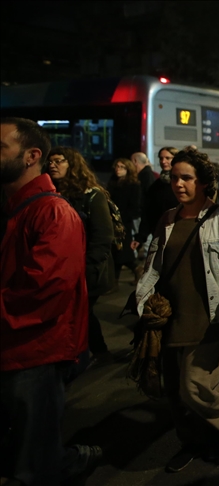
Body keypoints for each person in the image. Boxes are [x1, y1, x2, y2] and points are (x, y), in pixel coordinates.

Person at [134, 148, 219, 472]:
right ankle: (190, 443)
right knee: (174, 390)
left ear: (203, 182)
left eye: (187, 178)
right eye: (174, 178)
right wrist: (143, 303)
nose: (178, 184)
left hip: (209, 319)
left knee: (196, 386)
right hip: (171, 321)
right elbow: (153, 267)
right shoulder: (168, 220)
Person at [1, 117, 102, 484]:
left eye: (1, 147)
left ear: (31, 155)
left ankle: (70, 460)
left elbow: (41, 293)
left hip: (37, 354)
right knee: (31, 447)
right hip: (17, 347)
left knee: (33, 463)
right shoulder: (19, 206)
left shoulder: (54, 213)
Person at [47, 146, 116, 368]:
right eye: (51, 161)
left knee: (82, 311)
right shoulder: (51, 193)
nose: (53, 165)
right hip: (63, 267)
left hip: (87, 269)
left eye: (59, 161)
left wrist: (88, 266)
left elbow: (103, 235)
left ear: (73, 165)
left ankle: (96, 353)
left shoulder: (91, 195)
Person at [131, 146, 179, 254]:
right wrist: (140, 237)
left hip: (180, 234)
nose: (163, 161)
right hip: (160, 235)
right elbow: (149, 212)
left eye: (168, 158)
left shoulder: (181, 183)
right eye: (161, 158)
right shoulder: (156, 186)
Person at [107, 157, 141, 282]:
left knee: (123, 252)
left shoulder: (132, 185)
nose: (118, 169)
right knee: (116, 252)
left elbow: (134, 205)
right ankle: (115, 280)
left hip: (124, 222)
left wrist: (125, 218)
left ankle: (136, 268)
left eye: (122, 167)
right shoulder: (113, 183)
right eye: (117, 166)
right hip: (112, 221)